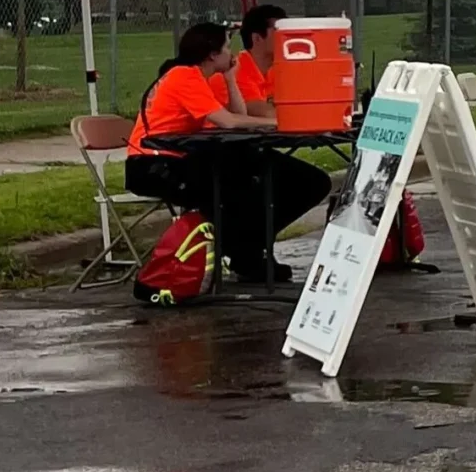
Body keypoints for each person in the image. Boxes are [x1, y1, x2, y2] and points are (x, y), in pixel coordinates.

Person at [124, 22, 333, 284]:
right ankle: (246, 251)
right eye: (226, 47)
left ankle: (247, 250)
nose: (231, 53)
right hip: (155, 166)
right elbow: (229, 122)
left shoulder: (199, 78)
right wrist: (281, 122)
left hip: (180, 159)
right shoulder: (184, 76)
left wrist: (230, 78)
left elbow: (237, 117)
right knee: (246, 184)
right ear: (212, 54)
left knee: (260, 173)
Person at [232, 3, 287, 119]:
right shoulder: (234, 71)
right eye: (278, 31)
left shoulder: (279, 70)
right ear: (257, 38)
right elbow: (266, 113)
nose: (287, 37)